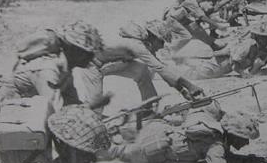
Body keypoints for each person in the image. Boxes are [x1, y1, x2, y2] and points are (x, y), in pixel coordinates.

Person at [73, 20, 205, 107]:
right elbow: (160, 67)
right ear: (153, 37)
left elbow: (162, 69)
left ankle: (149, 106)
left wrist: (182, 90)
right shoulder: (136, 45)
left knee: (142, 71)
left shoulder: (143, 42)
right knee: (96, 105)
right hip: (91, 67)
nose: (161, 47)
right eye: (161, 42)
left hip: (110, 63)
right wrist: (190, 86)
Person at [0, 21, 104, 118]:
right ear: (75, 50)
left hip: (27, 111)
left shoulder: (65, 68)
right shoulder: (47, 69)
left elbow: (70, 102)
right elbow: (54, 112)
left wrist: (88, 110)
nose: (91, 58)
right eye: (88, 54)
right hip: (9, 116)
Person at [98, 107, 259, 163]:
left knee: (124, 135)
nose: (246, 143)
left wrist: (247, 161)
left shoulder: (213, 128)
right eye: (244, 139)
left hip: (159, 129)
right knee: (114, 153)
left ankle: (111, 132)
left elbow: (227, 157)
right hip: (154, 147)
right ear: (234, 134)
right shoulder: (216, 146)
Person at [164, 0, 228, 51]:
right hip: (172, 20)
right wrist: (218, 25)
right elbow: (202, 16)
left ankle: (213, 45)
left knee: (195, 28)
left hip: (179, 18)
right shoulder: (191, 1)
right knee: (186, 36)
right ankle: (168, 50)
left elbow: (199, 14)